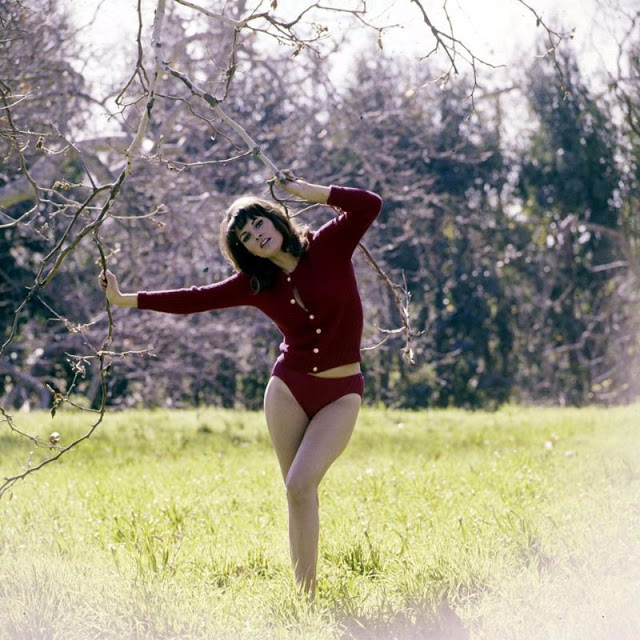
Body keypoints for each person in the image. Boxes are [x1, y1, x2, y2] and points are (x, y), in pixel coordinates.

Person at [99, 176, 382, 597]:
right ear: (245, 250)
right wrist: (126, 300)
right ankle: (306, 598)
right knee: (298, 491)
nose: (256, 236)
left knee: (300, 484)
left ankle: (307, 594)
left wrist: (306, 191)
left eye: (258, 224)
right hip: (288, 391)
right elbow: (195, 299)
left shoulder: (329, 245)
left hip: (341, 393)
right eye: (246, 237)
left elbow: (369, 204)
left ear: (275, 218)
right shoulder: (256, 284)